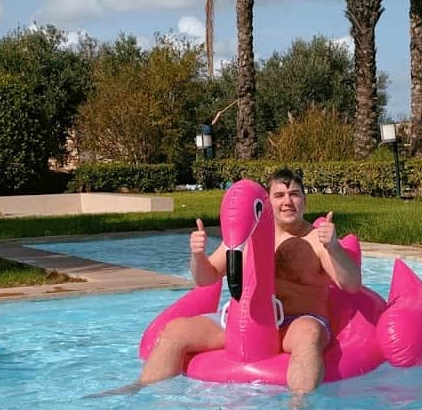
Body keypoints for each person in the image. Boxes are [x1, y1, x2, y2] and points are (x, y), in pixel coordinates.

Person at [137, 168, 362, 397]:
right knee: (176, 331)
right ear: (267, 202)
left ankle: (300, 406)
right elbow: (205, 278)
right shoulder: (247, 234)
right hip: (246, 322)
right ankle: (140, 394)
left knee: (309, 335)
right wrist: (197, 255)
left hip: (295, 323)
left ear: (305, 200)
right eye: (279, 195)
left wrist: (333, 247)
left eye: (294, 194)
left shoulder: (316, 241)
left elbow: (352, 285)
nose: (287, 202)